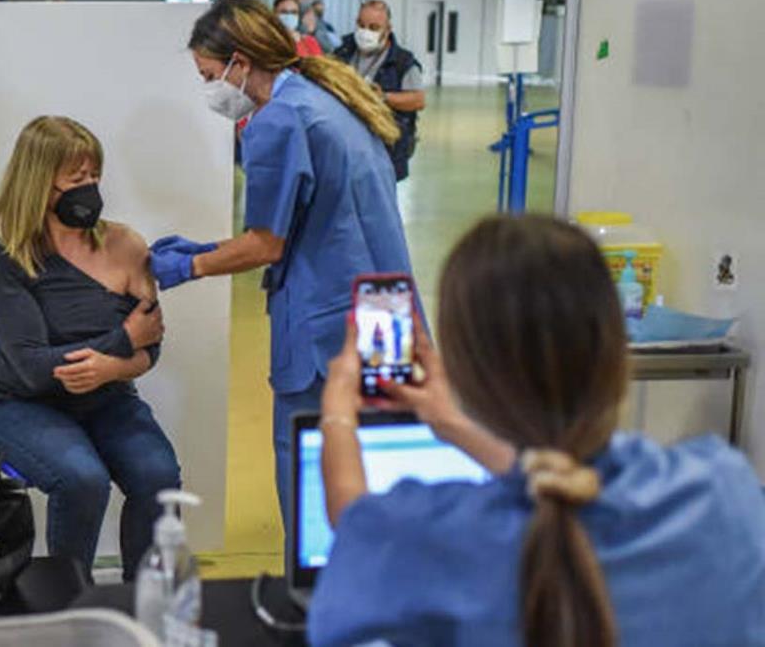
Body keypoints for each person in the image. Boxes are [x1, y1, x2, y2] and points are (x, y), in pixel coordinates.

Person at [311, 215, 765, 646]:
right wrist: (452, 423)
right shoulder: (723, 493)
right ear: (618, 358)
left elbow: (353, 519)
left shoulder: (424, 540)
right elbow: (563, 480)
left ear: (465, 374)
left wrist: (338, 412)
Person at [151, 0, 416, 530]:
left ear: (240, 62)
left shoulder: (278, 120)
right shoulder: (328, 98)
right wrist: (204, 249)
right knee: (375, 457)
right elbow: (307, 220)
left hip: (327, 324)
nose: (210, 90)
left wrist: (187, 267)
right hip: (384, 311)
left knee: (309, 467)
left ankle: (316, 578)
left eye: (210, 76)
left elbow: (266, 244)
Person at [0, 116, 182, 581]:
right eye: (76, 180)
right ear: (39, 185)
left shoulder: (126, 245)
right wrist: (121, 342)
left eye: (94, 176)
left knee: (158, 477)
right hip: (21, 404)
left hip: (108, 398)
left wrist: (112, 370)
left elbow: (152, 344)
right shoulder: (7, 260)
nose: (89, 188)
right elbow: (32, 368)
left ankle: (144, 599)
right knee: (82, 480)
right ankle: (70, 599)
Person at [334, 0, 424, 182]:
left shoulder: (402, 61)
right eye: (361, 25)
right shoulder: (343, 51)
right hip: (345, 144)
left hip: (385, 149)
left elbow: (418, 100)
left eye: (374, 27)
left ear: (387, 30)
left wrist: (383, 97)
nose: (365, 32)